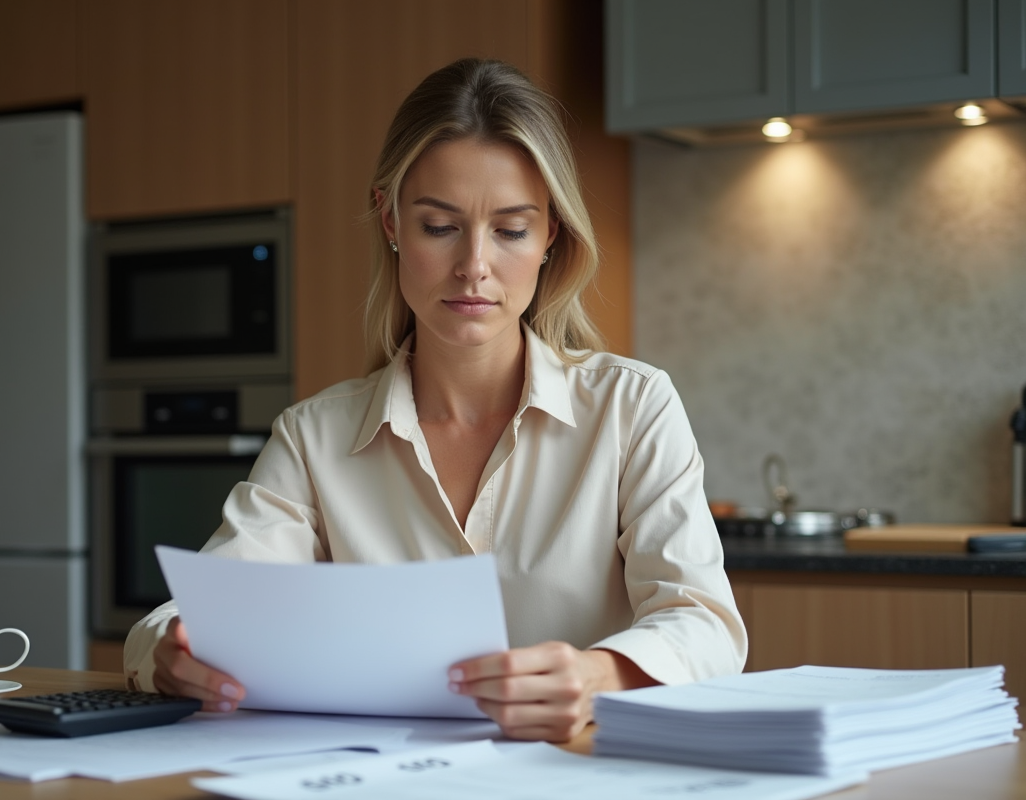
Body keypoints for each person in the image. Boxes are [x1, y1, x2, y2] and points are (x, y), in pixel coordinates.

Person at [124, 58, 747, 743]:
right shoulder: (314, 438)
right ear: (390, 220)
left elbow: (705, 625)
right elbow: (198, 611)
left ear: (550, 238)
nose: (474, 266)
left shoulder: (632, 408)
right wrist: (172, 651)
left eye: (511, 230)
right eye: (440, 226)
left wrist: (599, 677)